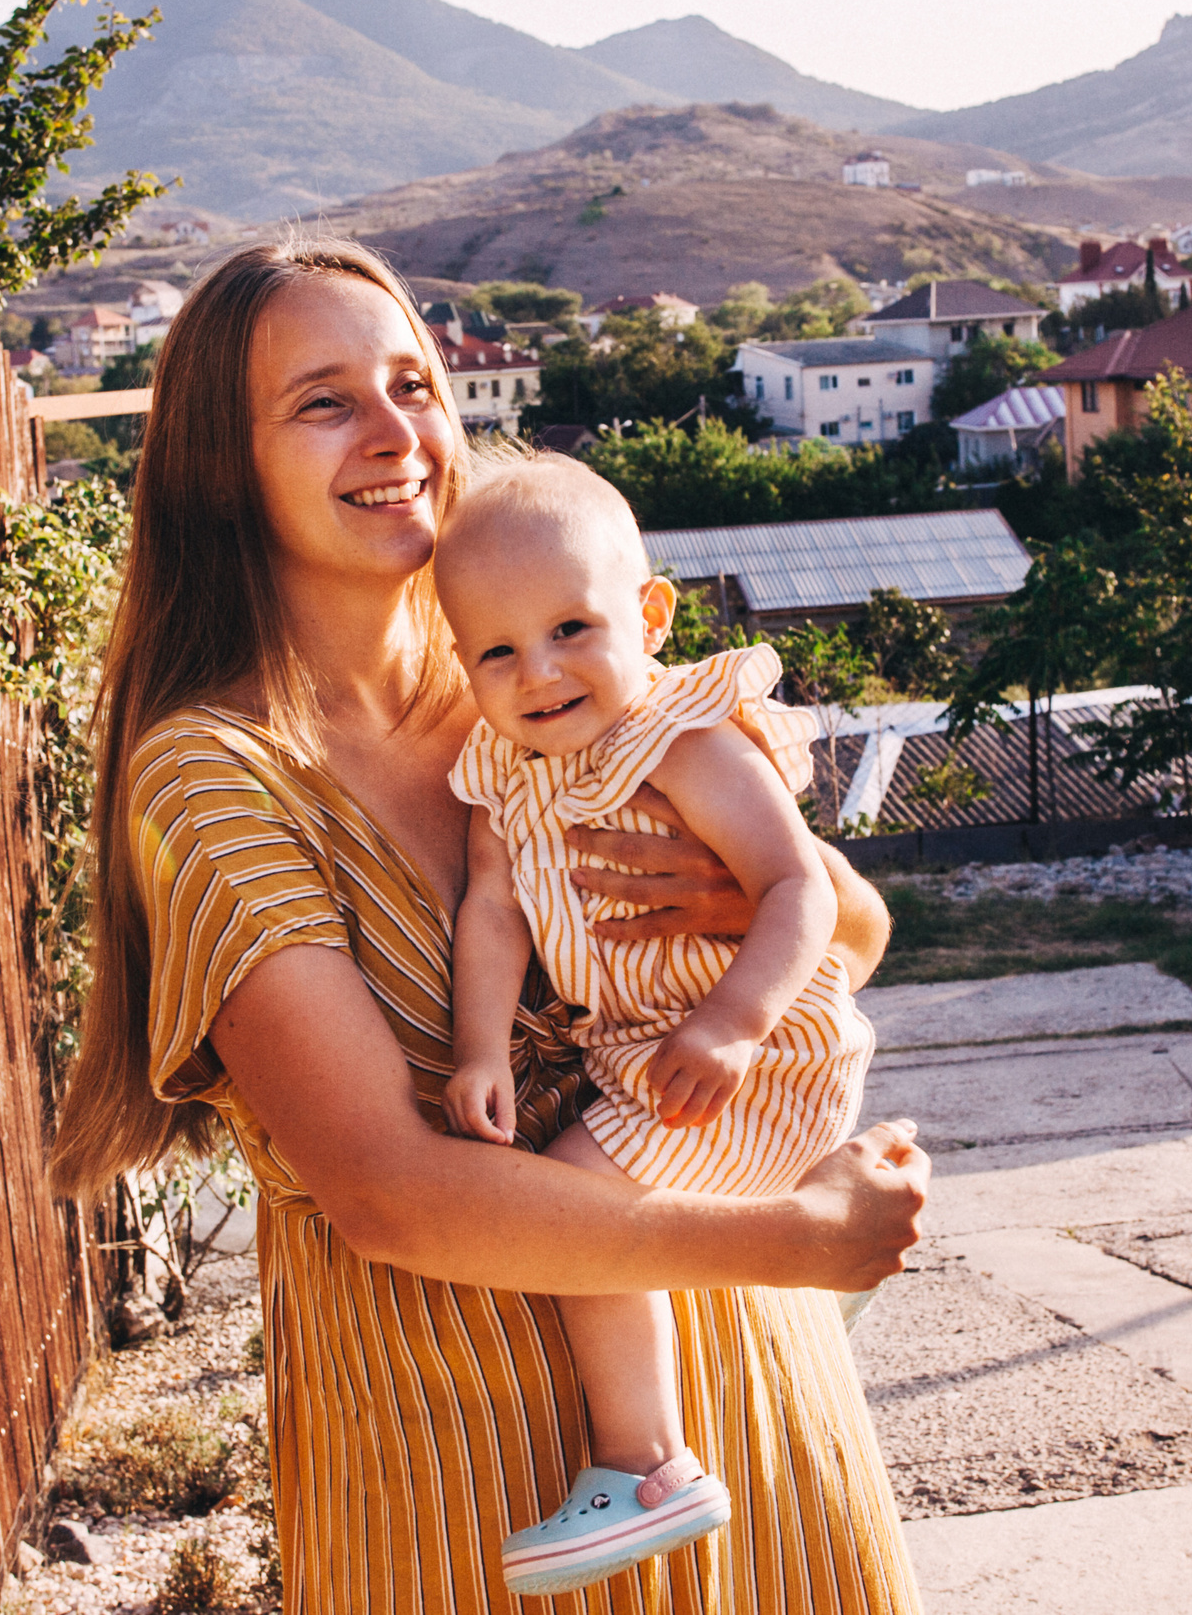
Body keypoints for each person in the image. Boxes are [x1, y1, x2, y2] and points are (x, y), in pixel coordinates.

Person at [45, 238, 928, 1613]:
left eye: (414, 382)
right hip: (467, 1462)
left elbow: (850, 929)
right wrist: (797, 1237)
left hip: (750, 1394)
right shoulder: (212, 773)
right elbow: (389, 1194)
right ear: (227, 462)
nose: (397, 432)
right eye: (324, 401)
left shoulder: (535, 676)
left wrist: (746, 904)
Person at [435, 458, 879, 1595]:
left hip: (758, 1054)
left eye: (571, 628)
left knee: (579, 1213)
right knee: (579, 1202)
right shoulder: (499, 771)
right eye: (495, 651)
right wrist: (479, 1048)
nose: (536, 674)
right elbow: (490, 914)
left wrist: (734, 1020)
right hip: (645, 1056)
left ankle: (647, 1470)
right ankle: (653, 1456)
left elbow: (801, 889)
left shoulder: (685, 741)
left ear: (649, 614)